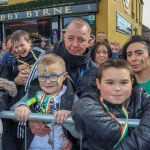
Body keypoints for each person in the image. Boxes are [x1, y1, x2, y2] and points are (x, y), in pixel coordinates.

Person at [12, 19, 97, 149]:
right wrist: (30, 119)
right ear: (64, 36)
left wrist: (73, 138)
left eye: (81, 40)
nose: (74, 44)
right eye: (70, 38)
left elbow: (92, 109)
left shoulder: (95, 70)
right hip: (38, 139)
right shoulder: (45, 58)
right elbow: (28, 92)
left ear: (89, 41)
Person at [72, 58, 150, 150]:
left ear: (132, 83)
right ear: (98, 83)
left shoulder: (141, 97)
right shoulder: (89, 101)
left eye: (124, 82)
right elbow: (82, 109)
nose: (117, 88)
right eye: (110, 82)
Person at [14, 54, 77, 149]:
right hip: (34, 146)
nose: (47, 81)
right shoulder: (34, 93)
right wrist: (22, 106)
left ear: (64, 76)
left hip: (59, 146)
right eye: (42, 77)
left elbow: (81, 131)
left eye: (53, 76)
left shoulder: (72, 98)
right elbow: (14, 108)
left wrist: (69, 117)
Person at [6, 30, 45, 150]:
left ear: (29, 43)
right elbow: (11, 77)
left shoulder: (39, 53)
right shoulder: (14, 61)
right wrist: (16, 74)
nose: (19, 49)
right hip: (19, 95)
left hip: (34, 95)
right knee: (16, 117)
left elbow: (47, 61)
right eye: (16, 47)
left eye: (22, 45)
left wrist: (34, 68)